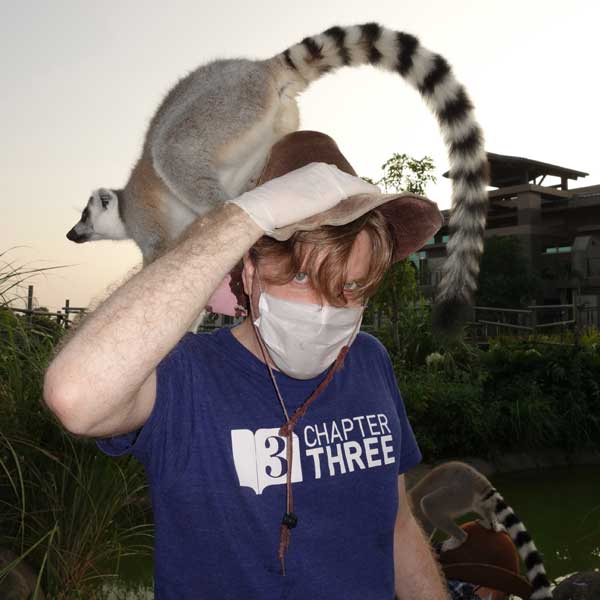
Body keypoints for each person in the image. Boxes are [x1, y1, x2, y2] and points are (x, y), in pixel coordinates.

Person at [44, 130, 448, 599]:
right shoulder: (187, 377)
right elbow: (74, 397)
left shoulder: (369, 361)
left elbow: (398, 527)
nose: (327, 309)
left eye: (351, 287)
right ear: (251, 271)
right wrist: (244, 217)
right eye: (301, 276)